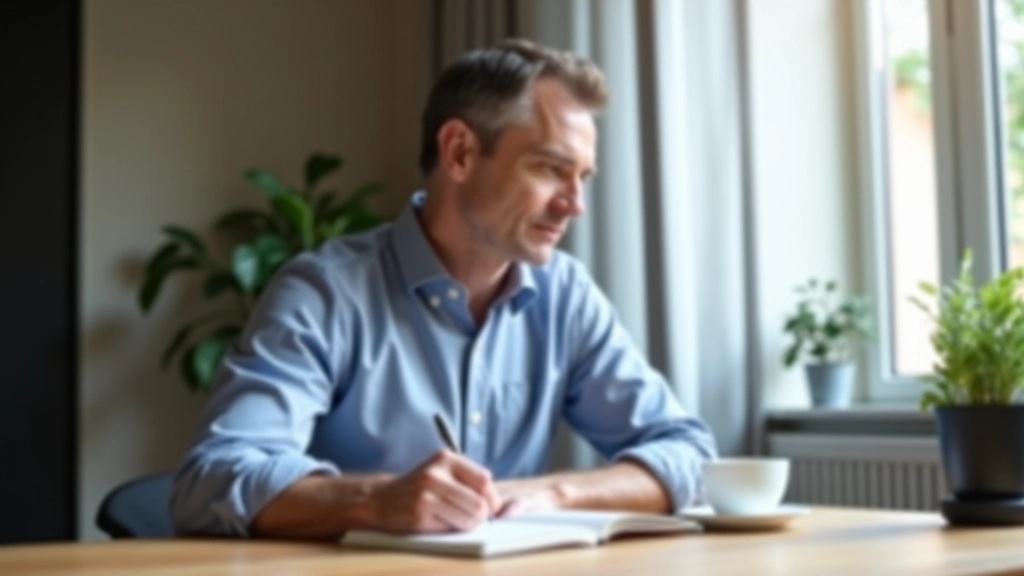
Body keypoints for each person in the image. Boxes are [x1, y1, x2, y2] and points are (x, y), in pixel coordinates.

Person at [170, 38, 718, 539]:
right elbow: (213, 479)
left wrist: (551, 492)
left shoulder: (566, 296)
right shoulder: (325, 293)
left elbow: (689, 456)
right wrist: (376, 500)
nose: (574, 204)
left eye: (583, 177)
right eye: (551, 169)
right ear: (458, 152)